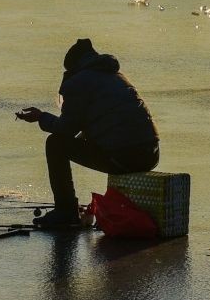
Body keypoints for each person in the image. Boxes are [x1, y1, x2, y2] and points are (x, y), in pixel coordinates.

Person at [16, 39, 159, 228]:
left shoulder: (79, 82)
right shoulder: (116, 76)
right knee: (69, 141)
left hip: (126, 157)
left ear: (72, 67)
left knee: (56, 144)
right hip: (151, 154)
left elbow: (66, 129)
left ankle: (65, 210)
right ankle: (69, 208)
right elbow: (99, 125)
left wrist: (41, 117)